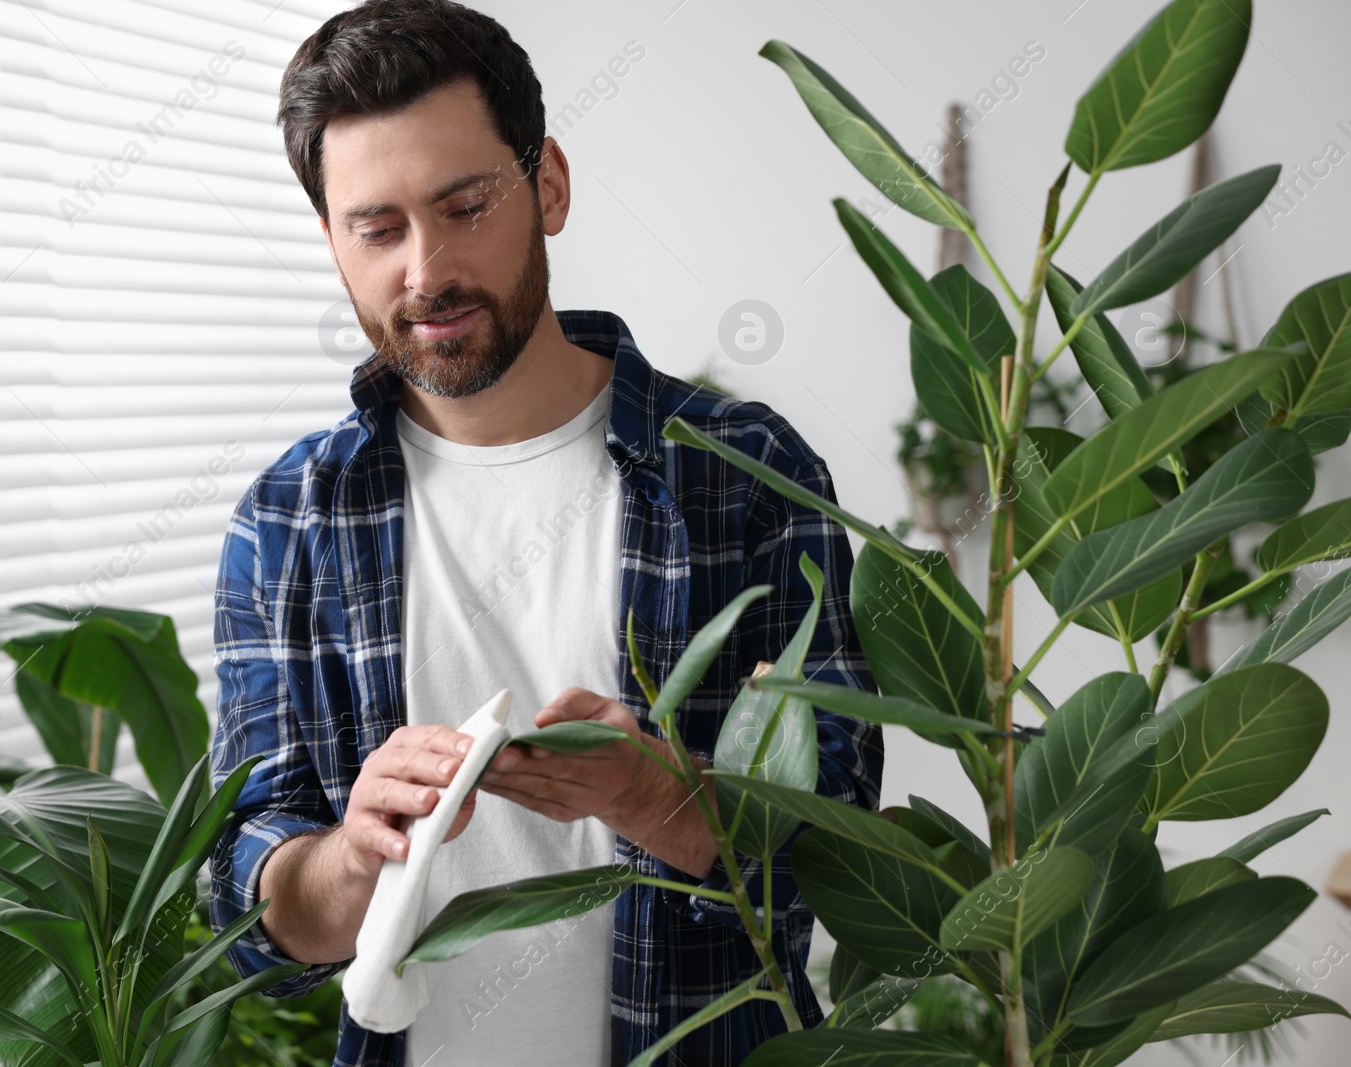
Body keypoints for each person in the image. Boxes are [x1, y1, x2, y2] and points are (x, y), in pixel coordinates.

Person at [208, 2, 883, 1064]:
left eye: (464, 205)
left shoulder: (747, 470)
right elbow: (253, 911)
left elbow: (848, 844)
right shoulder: (291, 518)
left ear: (548, 186)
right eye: (376, 228)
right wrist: (354, 851)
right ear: (333, 240)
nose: (424, 270)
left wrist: (664, 800)